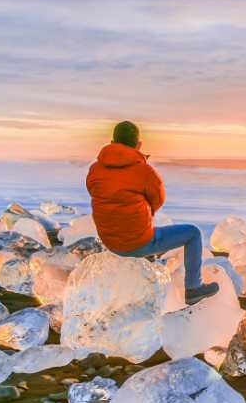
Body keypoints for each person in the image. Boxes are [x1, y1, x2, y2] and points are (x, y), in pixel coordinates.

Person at [86, 121, 218, 304]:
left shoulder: (94, 169)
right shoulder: (144, 171)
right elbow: (158, 199)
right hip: (138, 244)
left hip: (110, 242)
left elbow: (95, 193)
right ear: (138, 145)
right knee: (193, 233)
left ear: (112, 141)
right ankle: (194, 288)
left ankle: (148, 259)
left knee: (136, 226)